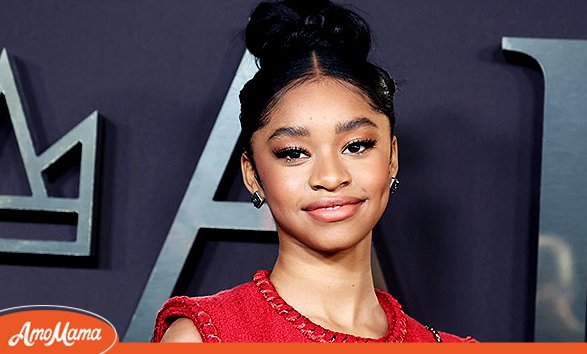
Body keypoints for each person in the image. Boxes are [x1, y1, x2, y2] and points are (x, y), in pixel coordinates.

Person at [152, 0, 475, 343]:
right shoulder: (205, 338)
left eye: (356, 146)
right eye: (293, 153)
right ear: (251, 173)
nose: (331, 177)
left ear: (392, 156)